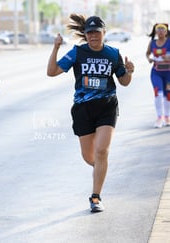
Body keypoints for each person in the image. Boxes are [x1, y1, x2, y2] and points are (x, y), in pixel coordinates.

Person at [46, 14, 134, 213]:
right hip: (83, 109)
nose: (93, 36)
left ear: (104, 33)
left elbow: (124, 82)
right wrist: (56, 47)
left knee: (102, 151)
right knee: (89, 157)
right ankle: (101, 169)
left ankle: (95, 197)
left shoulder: (113, 54)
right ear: (85, 35)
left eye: (97, 32)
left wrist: (129, 71)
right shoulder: (77, 52)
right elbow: (51, 72)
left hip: (107, 107)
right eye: (89, 33)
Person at [145, 23, 170, 128]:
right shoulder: (152, 43)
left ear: (166, 31)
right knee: (158, 93)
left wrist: (168, 58)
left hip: (168, 74)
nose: (160, 31)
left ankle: (167, 117)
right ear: (155, 31)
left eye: (162, 29)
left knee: (167, 95)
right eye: (158, 29)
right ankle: (159, 117)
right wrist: (149, 58)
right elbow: (147, 53)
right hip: (156, 72)